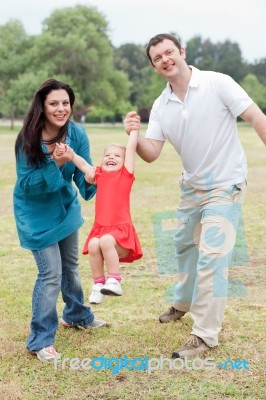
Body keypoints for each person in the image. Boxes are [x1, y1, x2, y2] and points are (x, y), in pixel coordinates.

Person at [124, 33, 266, 358]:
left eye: (169, 52)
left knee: (212, 257)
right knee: (183, 245)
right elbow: (152, 153)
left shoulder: (218, 83)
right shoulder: (161, 105)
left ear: (182, 52)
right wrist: (134, 134)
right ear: (153, 65)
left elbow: (256, 117)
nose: (165, 59)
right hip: (191, 185)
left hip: (225, 183)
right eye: (157, 57)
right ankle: (182, 302)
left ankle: (205, 335)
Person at [13, 79, 106, 362]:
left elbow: (82, 173)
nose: (61, 108)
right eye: (54, 103)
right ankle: (40, 340)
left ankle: (77, 314)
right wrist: (57, 162)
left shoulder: (76, 133)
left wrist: (91, 179)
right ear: (42, 106)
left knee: (70, 267)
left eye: (65, 103)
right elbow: (28, 184)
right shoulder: (27, 139)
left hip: (65, 209)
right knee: (50, 274)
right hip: (35, 215)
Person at [54, 130, 143, 305]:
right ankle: (98, 284)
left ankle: (115, 280)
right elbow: (83, 165)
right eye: (107, 155)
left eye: (117, 156)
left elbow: (131, 148)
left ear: (125, 162)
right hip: (101, 229)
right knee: (94, 244)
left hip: (120, 232)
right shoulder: (99, 175)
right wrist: (70, 154)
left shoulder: (125, 175)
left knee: (106, 241)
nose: (111, 157)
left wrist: (133, 131)